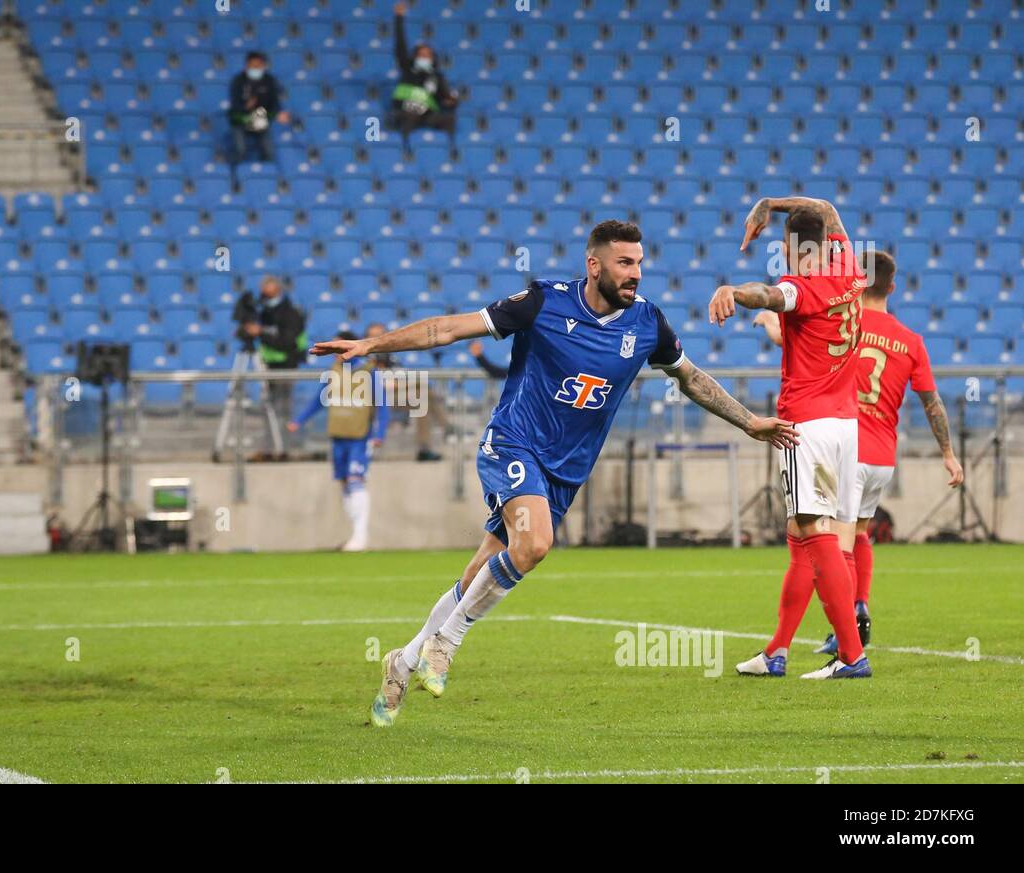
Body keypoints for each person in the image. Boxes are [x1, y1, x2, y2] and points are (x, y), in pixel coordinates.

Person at [312, 220, 799, 727]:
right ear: (595, 265)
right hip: (513, 443)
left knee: (483, 570)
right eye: (624, 264)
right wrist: (372, 347)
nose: (635, 274)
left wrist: (750, 422)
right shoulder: (543, 302)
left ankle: (405, 658)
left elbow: (691, 378)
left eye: (639, 264)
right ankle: (447, 642)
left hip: (565, 471)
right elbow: (449, 328)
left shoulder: (647, 325)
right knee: (535, 544)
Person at [753, 249, 964, 655]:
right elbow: (932, 402)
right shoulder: (912, 341)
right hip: (883, 456)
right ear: (893, 286)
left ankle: (845, 635)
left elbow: (787, 338)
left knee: (825, 544)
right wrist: (949, 454)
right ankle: (859, 605)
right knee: (859, 534)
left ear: (856, 282)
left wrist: (765, 320)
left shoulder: (844, 315)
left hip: (841, 441)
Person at [709, 195, 872, 680]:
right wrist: (769, 203)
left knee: (813, 533)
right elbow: (825, 207)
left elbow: (769, 295)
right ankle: (777, 651)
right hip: (845, 425)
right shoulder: (848, 263)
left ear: (791, 247)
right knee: (803, 536)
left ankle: (851, 655)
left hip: (809, 426)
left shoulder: (804, 286)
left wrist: (732, 291)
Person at [288, 331, 391, 551]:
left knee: (356, 480)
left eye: (336, 346)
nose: (332, 351)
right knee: (345, 482)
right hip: (338, 436)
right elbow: (320, 399)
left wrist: (379, 433)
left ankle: (360, 536)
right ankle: (355, 534)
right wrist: (300, 420)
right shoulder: (333, 372)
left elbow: (382, 405)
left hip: (359, 437)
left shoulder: (368, 372)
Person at [233, 276, 307, 456]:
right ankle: (270, 445)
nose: (264, 293)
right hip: (268, 366)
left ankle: (285, 446)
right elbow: (241, 333)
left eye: (268, 287)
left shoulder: (291, 313)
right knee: (268, 407)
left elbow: (288, 341)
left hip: (286, 366)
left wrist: (261, 332)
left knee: (283, 408)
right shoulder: (263, 312)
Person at [367, 321, 443, 461]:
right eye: (374, 335)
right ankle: (448, 428)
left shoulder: (391, 355)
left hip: (392, 394)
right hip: (372, 398)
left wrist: (396, 382)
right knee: (422, 388)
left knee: (422, 399)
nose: (378, 338)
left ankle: (424, 448)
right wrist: (396, 382)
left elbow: (399, 376)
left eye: (381, 335)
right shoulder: (365, 356)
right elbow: (376, 383)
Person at [391, 2, 459, 152]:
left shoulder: (438, 77)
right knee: (406, 118)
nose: (424, 57)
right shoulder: (407, 70)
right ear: (415, 56)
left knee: (449, 119)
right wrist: (399, 19)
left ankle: (452, 153)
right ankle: (406, 154)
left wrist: (451, 101)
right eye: (421, 54)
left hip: (428, 115)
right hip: (407, 113)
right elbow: (400, 47)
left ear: (433, 58)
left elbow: (446, 98)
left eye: (427, 55)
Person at [227, 51, 289, 179]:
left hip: (260, 119)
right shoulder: (238, 81)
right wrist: (246, 107)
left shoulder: (269, 81)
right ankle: (234, 179)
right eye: (252, 66)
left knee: (269, 151)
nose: (255, 69)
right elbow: (234, 106)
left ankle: (267, 179)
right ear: (246, 66)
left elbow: (275, 103)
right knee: (240, 150)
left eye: (258, 66)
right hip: (241, 120)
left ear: (263, 66)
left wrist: (278, 113)